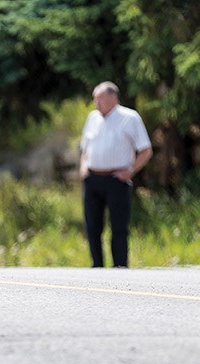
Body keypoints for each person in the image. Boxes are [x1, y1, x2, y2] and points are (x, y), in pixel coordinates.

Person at [79, 81, 152, 268]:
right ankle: (97, 266)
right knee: (92, 226)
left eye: (101, 99)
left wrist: (130, 170)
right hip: (93, 178)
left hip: (116, 179)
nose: (97, 103)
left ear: (113, 98)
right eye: (95, 99)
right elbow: (85, 148)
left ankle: (119, 267)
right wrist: (84, 168)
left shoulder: (129, 117)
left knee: (119, 226)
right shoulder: (92, 118)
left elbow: (145, 150)